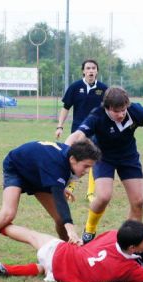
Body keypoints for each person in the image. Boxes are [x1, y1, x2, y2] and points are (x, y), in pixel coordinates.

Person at [0, 139, 102, 273]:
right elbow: (58, 196)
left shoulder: (66, 159)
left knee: (59, 220)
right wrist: (71, 229)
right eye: (86, 166)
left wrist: (58, 186)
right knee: (8, 214)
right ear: (73, 159)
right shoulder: (56, 163)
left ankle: (68, 258)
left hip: (37, 174)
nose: (87, 171)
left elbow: (52, 174)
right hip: (17, 168)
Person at [65, 86, 143, 244]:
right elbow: (78, 135)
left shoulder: (136, 110)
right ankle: (89, 229)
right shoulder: (97, 115)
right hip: (103, 157)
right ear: (107, 108)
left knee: (138, 201)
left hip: (128, 157)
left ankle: (130, 241)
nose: (121, 114)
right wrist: (64, 150)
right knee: (103, 196)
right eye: (117, 111)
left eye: (123, 110)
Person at [0, 220, 143, 282]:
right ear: (132, 248)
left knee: (32, 236)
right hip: (61, 274)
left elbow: (91, 246)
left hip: (64, 254)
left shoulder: (113, 234)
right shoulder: (128, 268)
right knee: (42, 267)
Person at [55, 60, 108, 203]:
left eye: (93, 68)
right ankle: (70, 186)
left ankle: (90, 193)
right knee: (74, 158)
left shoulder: (104, 89)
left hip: (97, 132)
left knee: (93, 160)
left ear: (97, 71)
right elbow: (66, 107)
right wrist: (60, 126)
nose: (91, 71)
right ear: (83, 71)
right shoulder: (75, 87)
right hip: (78, 131)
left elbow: (109, 111)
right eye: (88, 68)